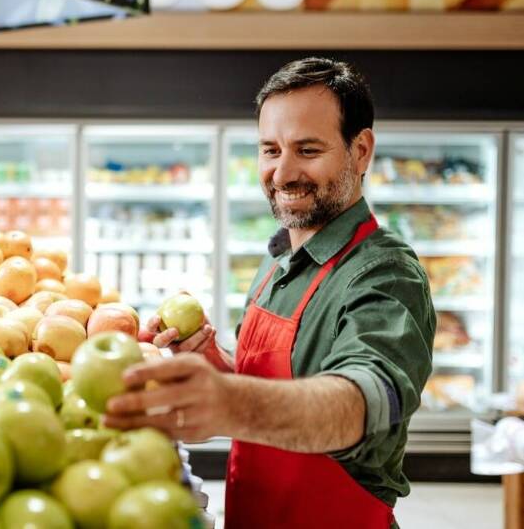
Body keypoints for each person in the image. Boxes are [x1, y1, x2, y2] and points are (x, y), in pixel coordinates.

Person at [104, 57, 435, 529]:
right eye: (270, 150)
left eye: (307, 150)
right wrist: (213, 364)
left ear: (360, 151)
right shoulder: (278, 258)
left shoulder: (384, 273)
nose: (282, 174)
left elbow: (361, 405)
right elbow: (278, 388)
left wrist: (232, 402)